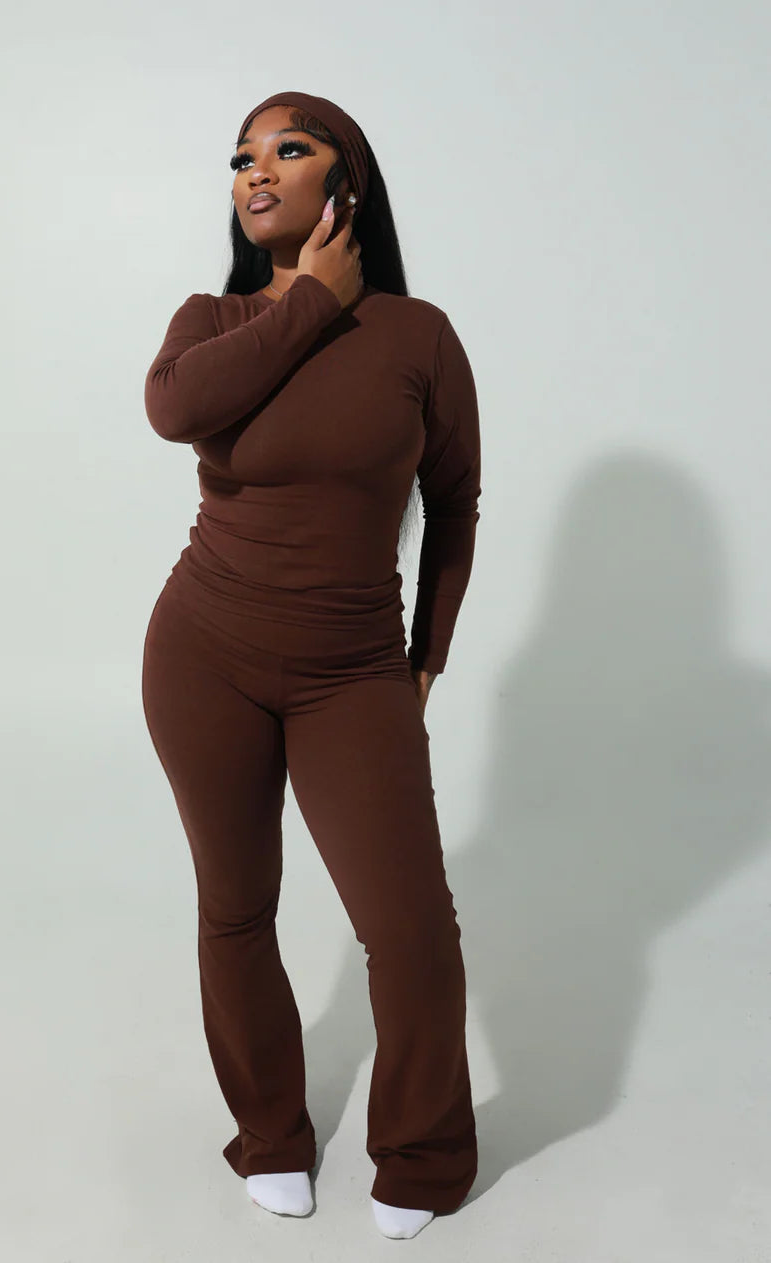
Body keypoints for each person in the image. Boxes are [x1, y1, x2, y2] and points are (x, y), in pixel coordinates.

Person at [140, 90, 482, 1240]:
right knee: (236, 909)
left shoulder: (418, 335)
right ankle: (271, 1136)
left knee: (411, 928)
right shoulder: (212, 320)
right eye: (243, 156)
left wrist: (427, 656)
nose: (258, 170)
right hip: (204, 656)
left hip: (354, 672)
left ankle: (424, 1155)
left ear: (348, 180)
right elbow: (175, 412)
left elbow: (454, 502)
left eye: (290, 149)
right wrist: (307, 306)